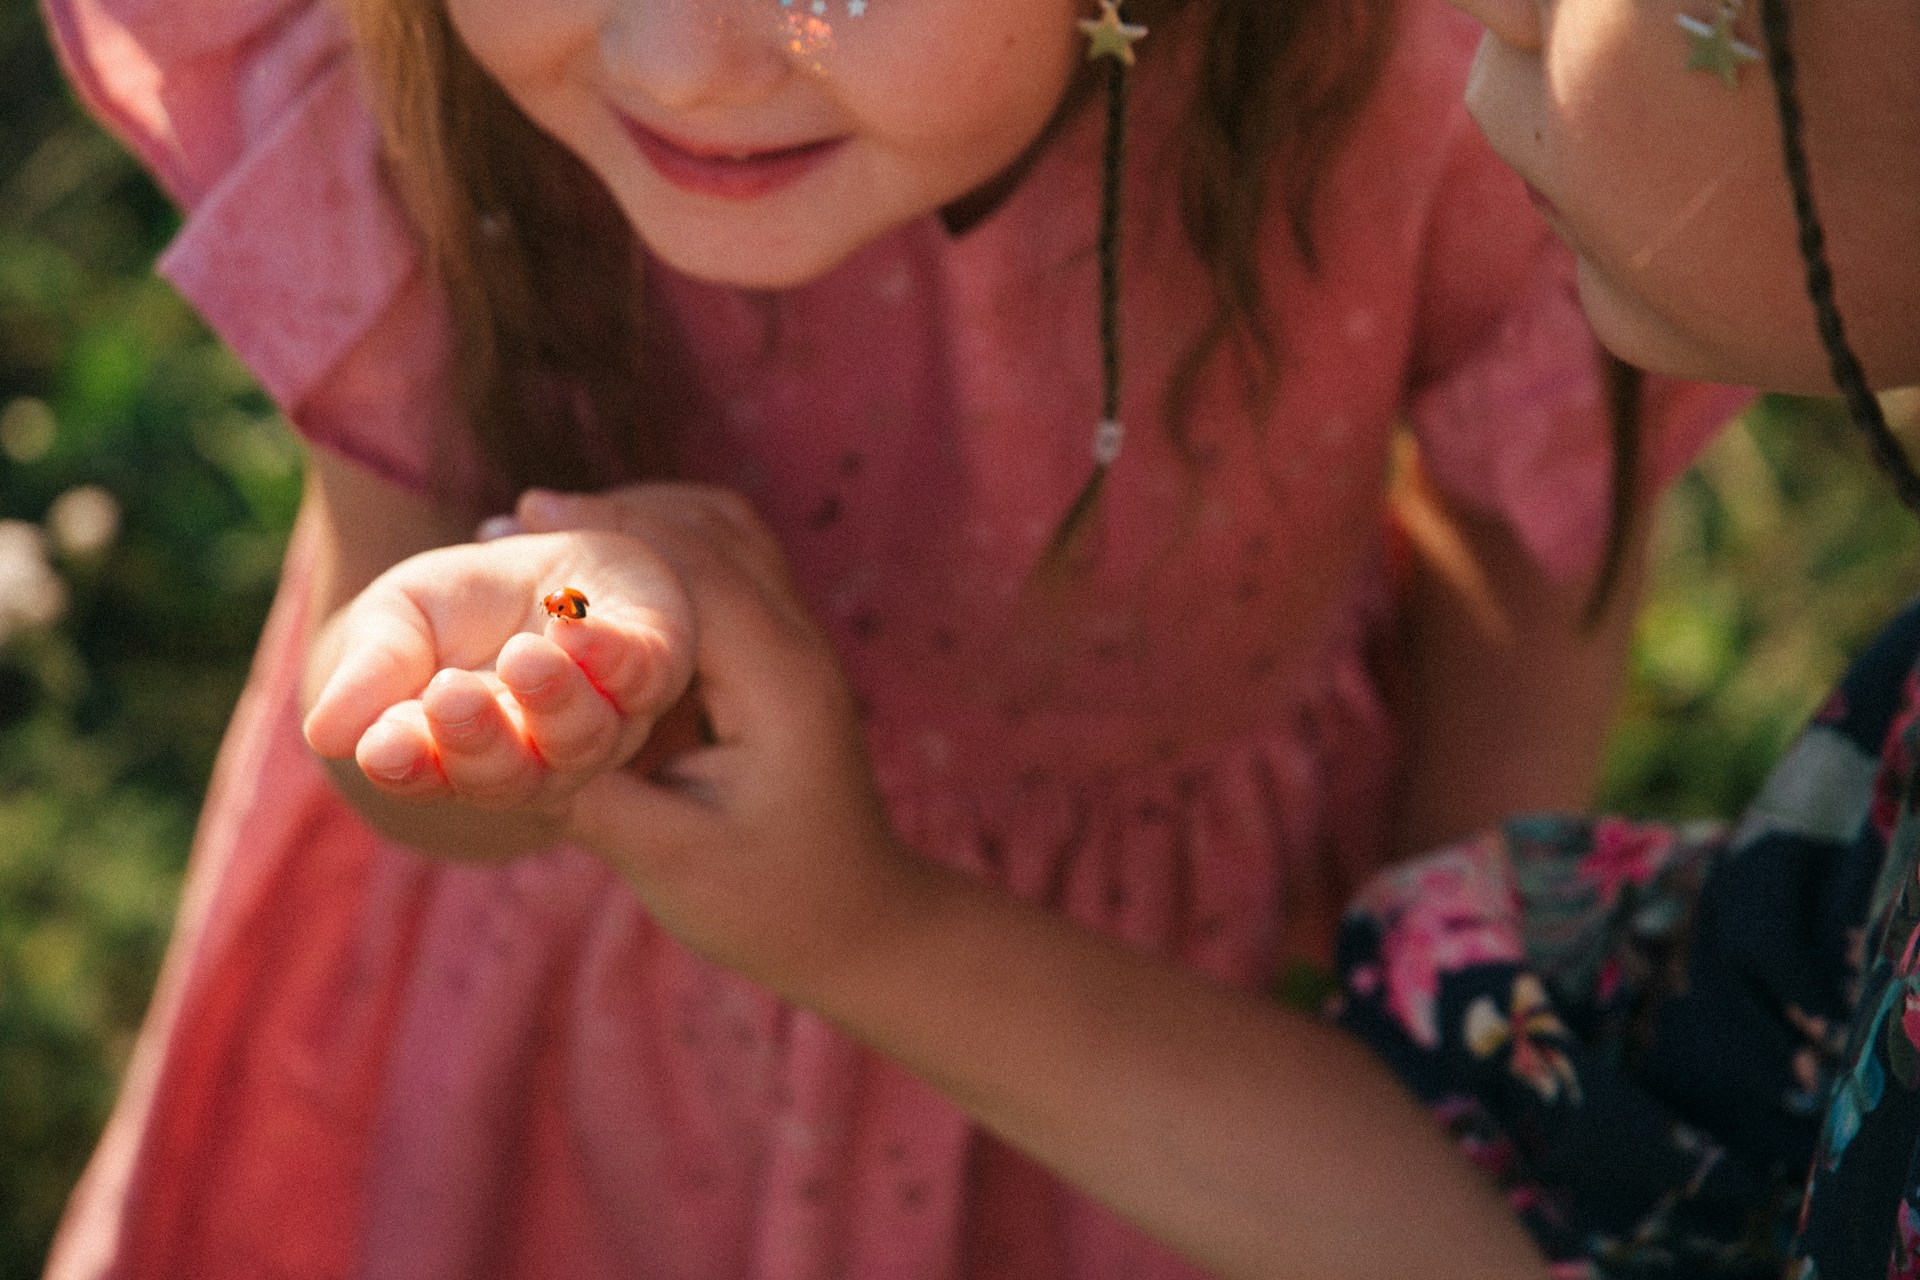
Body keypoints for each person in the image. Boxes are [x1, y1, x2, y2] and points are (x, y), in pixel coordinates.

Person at [39, 0, 1745, 1277]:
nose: (689, 63)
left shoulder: (1411, 76)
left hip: (1124, 1066)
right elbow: (402, 765)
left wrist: (1433, 1061)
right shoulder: (393, 62)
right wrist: (520, 711)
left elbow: (1533, 559)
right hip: (551, 1034)